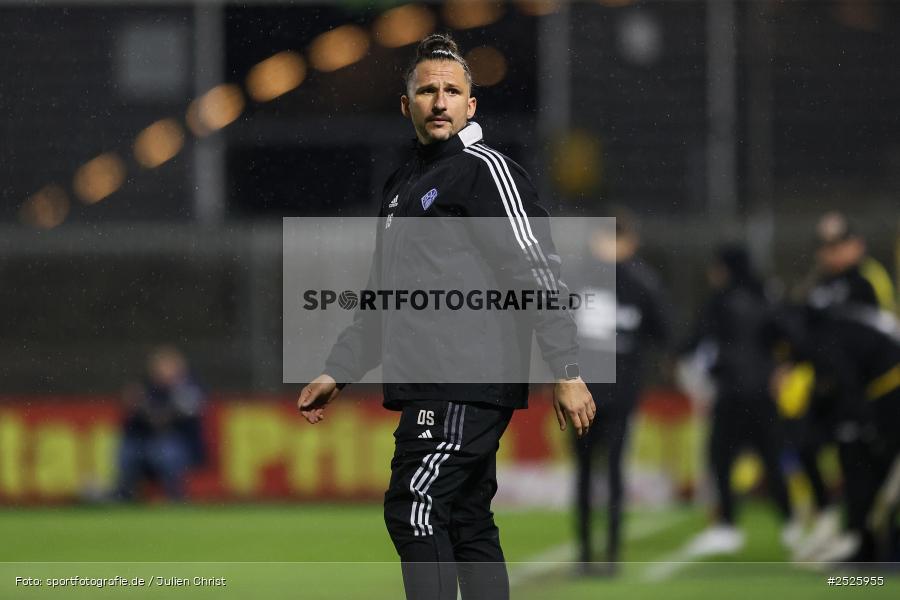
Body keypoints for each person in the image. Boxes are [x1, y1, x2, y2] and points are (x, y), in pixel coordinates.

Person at [295, 34, 595, 600]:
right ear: (405, 104)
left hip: (463, 380)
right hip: (429, 381)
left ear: (470, 106)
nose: (439, 101)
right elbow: (383, 296)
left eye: (452, 91)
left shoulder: (485, 172)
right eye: (427, 90)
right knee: (465, 521)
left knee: (414, 506)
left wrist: (567, 366)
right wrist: (340, 370)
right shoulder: (400, 187)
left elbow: (537, 271)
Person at [680, 245, 798, 556]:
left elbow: (697, 340)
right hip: (762, 392)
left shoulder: (720, 300)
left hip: (732, 392)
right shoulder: (766, 295)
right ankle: (791, 525)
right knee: (772, 461)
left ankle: (727, 527)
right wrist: (783, 368)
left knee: (721, 459)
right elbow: (792, 336)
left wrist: (677, 355)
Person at [570, 211, 670, 574]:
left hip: (619, 392)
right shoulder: (579, 276)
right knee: (585, 472)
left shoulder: (641, 281)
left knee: (610, 470)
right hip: (581, 392)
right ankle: (585, 554)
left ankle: (609, 555)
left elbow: (664, 330)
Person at [116, 346, 206, 501]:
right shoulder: (145, 387)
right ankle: (126, 495)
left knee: (166, 451)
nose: (164, 371)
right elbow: (133, 420)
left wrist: (150, 410)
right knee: (128, 450)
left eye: (168, 366)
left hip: (181, 444)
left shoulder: (188, 389)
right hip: (146, 443)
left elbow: (179, 415)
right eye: (160, 366)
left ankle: (175, 496)